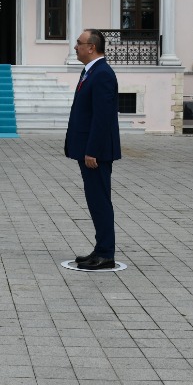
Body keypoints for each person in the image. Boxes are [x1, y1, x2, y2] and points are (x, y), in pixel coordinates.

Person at [65, 29, 122, 270]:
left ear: (92, 47)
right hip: (88, 148)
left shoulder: (102, 74)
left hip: (96, 152)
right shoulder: (90, 71)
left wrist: (93, 151)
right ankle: (100, 249)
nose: (75, 47)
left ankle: (106, 254)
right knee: (95, 200)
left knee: (100, 201)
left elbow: (102, 117)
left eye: (79, 43)